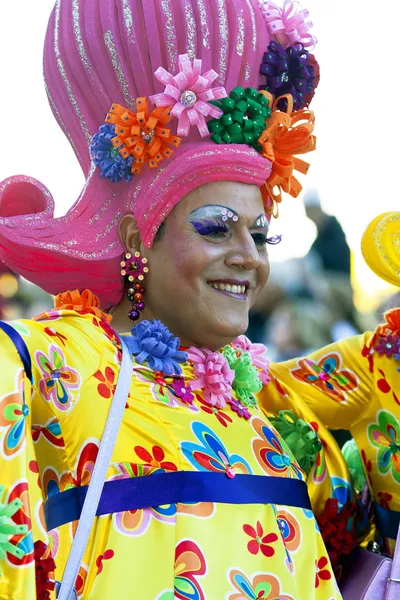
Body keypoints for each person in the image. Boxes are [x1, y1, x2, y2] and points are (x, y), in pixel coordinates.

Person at [0, 1, 354, 599]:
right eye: (217, 225)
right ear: (140, 237)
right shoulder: (65, 369)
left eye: (261, 232)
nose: (250, 256)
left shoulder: (265, 403)